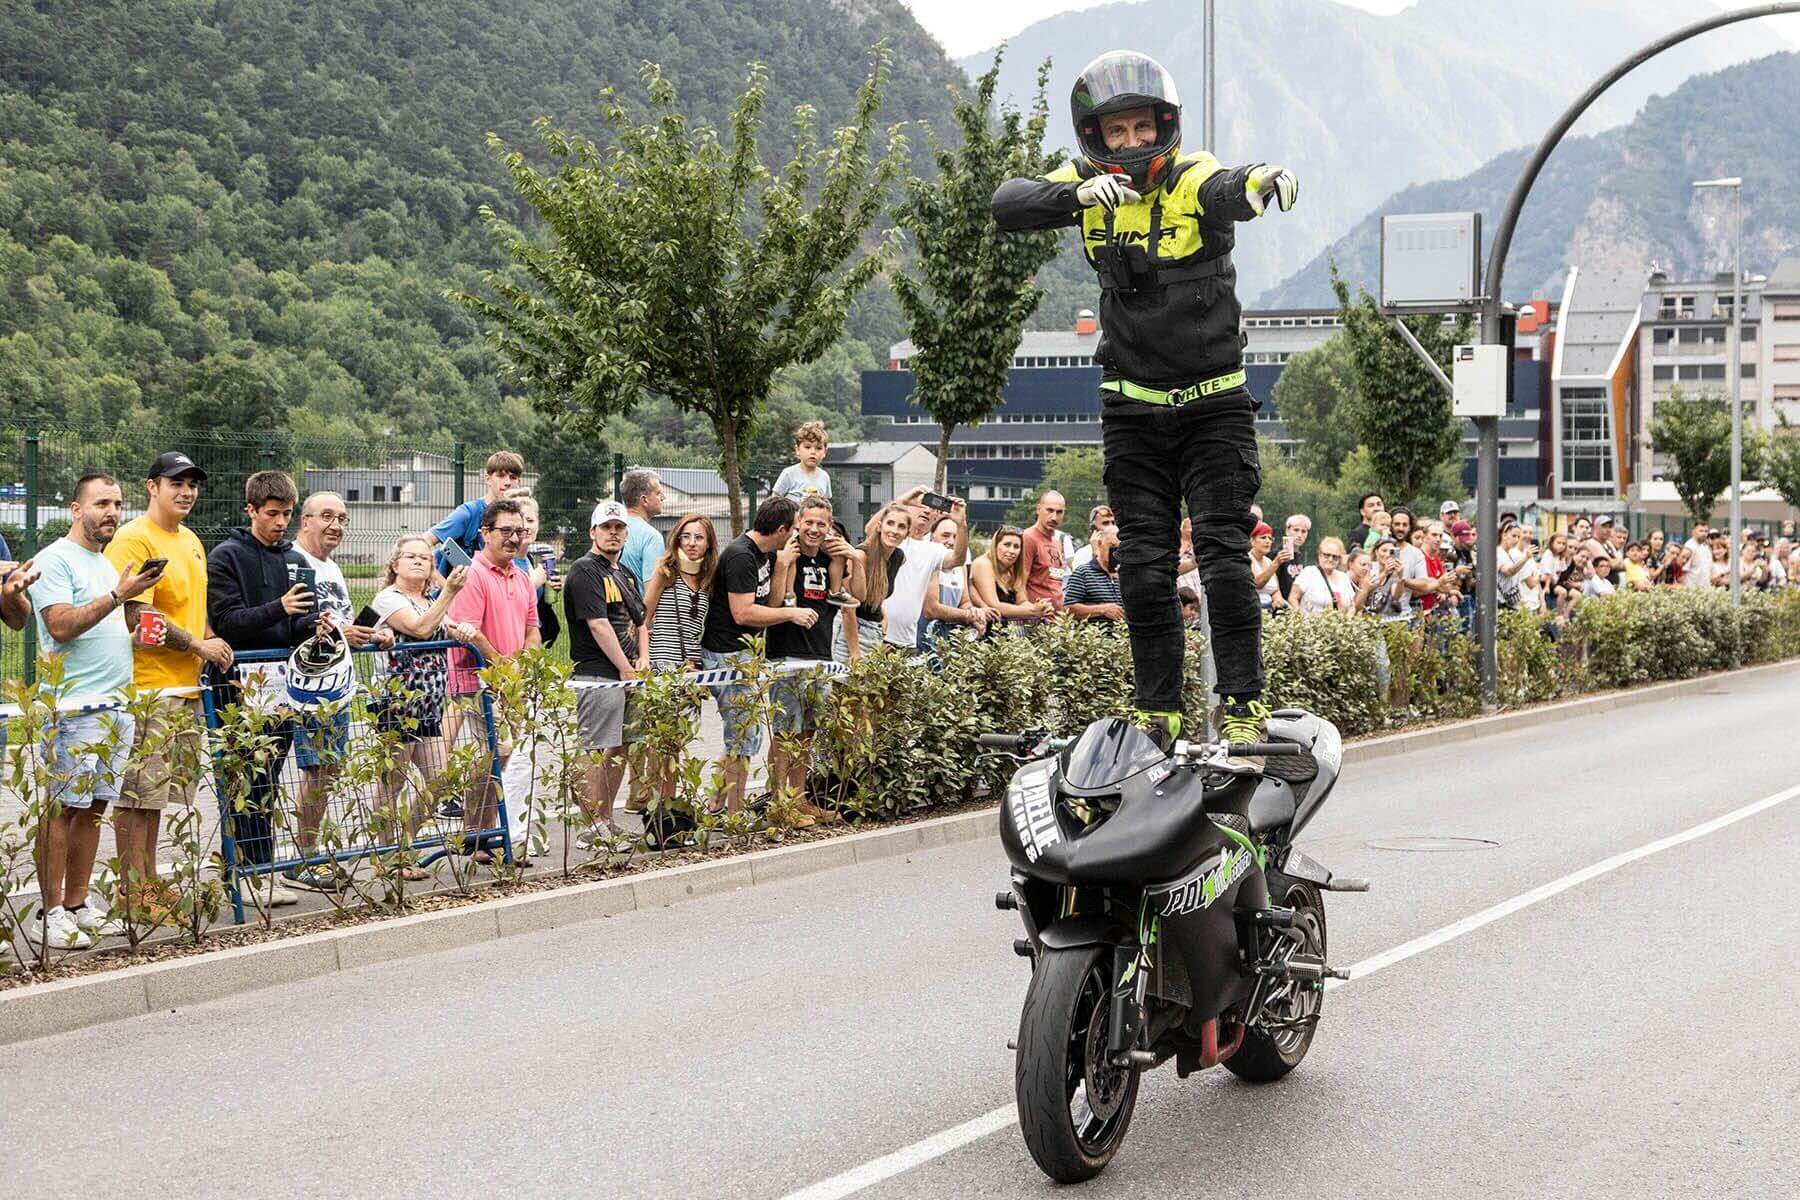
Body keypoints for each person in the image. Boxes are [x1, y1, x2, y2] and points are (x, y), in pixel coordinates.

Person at [994, 48, 1298, 745]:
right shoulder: (1085, 182)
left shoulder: (1192, 175)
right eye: (1115, 131)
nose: (1130, 143)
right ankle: (1157, 712)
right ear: (1095, 138)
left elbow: (1230, 187)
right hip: (1131, 408)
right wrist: (1074, 196)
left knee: (1223, 554)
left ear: (1166, 125)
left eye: (1142, 128)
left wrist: (1262, 182)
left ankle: (1245, 708)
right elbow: (1006, 204)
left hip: (1213, 404)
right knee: (1145, 566)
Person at [25, 474, 162, 948]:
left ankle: (79, 905)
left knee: (94, 809)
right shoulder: (54, 560)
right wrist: (119, 596)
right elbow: (60, 626)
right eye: (101, 503)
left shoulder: (105, 565)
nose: (112, 512)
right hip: (71, 710)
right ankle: (51, 910)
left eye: (118, 504)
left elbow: (117, 624)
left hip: (115, 709)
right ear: (75, 509)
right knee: (64, 809)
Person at [108, 451, 233, 919]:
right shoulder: (133, 540)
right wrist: (197, 647)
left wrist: (208, 637)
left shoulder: (192, 540)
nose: (186, 491)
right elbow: (135, 618)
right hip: (146, 690)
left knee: (156, 798)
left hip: (184, 690)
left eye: (192, 484)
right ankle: (129, 892)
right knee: (135, 795)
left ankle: (149, 883)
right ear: (151, 487)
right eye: (175, 483)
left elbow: (193, 611)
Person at [205, 469, 319, 906]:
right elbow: (228, 621)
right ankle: (241, 872)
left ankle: (261, 868)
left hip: (282, 685)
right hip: (237, 684)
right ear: (250, 509)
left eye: (287, 514)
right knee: (242, 781)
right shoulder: (226, 557)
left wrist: (317, 625)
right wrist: (279, 606)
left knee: (268, 780)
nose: (280, 523)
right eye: (272, 514)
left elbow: (300, 620)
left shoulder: (296, 560)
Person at [282, 492, 394, 889]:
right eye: (327, 516)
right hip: (306, 686)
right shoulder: (293, 561)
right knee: (315, 770)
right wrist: (336, 633)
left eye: (342, 518)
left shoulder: (331, 567)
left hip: (336, 685)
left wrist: (369, 635)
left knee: (328, 769)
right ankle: (304, 858)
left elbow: (341, 625)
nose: (336, 525)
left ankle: (307, 854)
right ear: (305, 519)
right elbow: (296, 625)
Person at [700, 496, 815, 814]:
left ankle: (715, 802)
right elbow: (744, 613)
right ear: (780, 529)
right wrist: (792, 616)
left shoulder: (767, 554)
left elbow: (772, 603)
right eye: (793, 529)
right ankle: (735, 816)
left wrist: (782, 566)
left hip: (746, 656)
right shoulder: (740, 556)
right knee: (744, 737)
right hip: (727, 656)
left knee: (742, 735)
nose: (796, 535)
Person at [367, 534, 472, 876]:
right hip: (397, 703)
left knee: (439, 777)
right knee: (392, 781)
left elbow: (443, 625)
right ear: (394, 564)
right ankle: (385, 855)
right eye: (410, 556)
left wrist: (462, 630)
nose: (418, 561)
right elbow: (421, 629)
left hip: (430, 703)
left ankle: (404, 842)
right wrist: (450, 593)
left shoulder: (429, 599)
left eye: (425, 558)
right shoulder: (388, 599)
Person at [446, 498, 541, 863]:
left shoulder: (521, 575)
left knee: (502, 760)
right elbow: (470, 634)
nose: (514, 538)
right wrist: (504, 667)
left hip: (511, 683)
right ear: (485, 533)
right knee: (486, 762)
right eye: (505, 530)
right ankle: (476, 837)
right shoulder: (473, 575)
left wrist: (523, 663)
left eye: (520, 531)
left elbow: (532, 629)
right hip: (478, 685)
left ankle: (487, 835)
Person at [767, 496, 858, 825]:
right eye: (810, 523)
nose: (815, 529)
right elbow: (776, 603)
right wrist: (781, 566)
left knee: (806, 732)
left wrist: (854, 558)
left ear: (829, 526)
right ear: (798, 523)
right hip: (787, 653)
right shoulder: (786, 556)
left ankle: (799, 798)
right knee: (784, 733)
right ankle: (780, 803)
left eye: (822, 524)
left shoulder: (832, 557)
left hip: (819, 654)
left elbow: (855, 600)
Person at [564, 501, 645, 842]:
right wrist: (625, 668)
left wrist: (643, 659)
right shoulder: (586, 570)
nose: (614, 533)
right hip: (597, 673)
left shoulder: (624, 572)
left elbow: (641, 620)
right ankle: (589, 827)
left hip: (627, 674)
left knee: (620, 747)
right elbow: (598, 624)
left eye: (619, 527)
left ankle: (604, 819)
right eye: (607, 527)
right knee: (593, 748)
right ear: (593, 532)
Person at [875, 488, 970, 650]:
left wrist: (961, 524)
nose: (926, 511)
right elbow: (871, 529)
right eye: (920, 504)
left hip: (908, 640)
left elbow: (957, 559)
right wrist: (903, 499)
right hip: (878, 634)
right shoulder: (892, 538)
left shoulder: (933, 550)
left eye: (931, 508)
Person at [430, 451, 523, 576]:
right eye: (501, 476)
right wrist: (445, 587)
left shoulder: (519, 517)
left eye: (513, 477)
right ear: (488, 479)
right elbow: (425, 541)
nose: (507, 482)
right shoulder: (468, 513)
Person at [920, 512, 996, 646]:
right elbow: (931, 609)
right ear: (932, 536)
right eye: (945, 535)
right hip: (924, 639)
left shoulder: (960, 567)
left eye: (955, 537)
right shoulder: (927, 561)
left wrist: (975, 612)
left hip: (950, 640)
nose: (950, 541)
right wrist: (967, 616)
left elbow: (965, 602)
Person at [970, 526, 1054, 625]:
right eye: (1007, 545)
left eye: (1016, 547)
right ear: (995, 545)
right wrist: (1032, 611)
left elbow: (1021, 601)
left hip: (1009, 628)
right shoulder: (983, 564)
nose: (1012, 551)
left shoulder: (1015, 569)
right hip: (986, 627)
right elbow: (993, 605)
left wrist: (1040, 607)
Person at [1018, 490, 1069, 614]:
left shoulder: (1057, 542)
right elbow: (1019, 584)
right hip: (1037, 620)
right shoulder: (1028, 537)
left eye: (1059, 512)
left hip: (1058, 620)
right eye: (1049, 510)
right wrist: (1029, 611)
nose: (1054, 517)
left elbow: (1055, 583)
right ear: (1038, 509)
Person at [618, 468, 667, 596]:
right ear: (644, 500)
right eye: (658, 493)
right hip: (637, 613)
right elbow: (651, 591)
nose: (663, 497)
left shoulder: (608, 531)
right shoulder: (652, 537)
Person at [1062, 525, 1125, 622]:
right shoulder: (1083, 573)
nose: (1115, 552)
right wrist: (1102, 609)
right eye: (1112, 547)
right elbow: (1068, 608)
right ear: (1100, 544)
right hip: (1095, 635)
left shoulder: (1125, 573)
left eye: (1119, 548)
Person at [772, 420, 833, 506]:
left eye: (818, 448)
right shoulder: (789, 474)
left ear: (825, 452)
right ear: (797, 450)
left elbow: (826, 505)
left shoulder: (825, 477)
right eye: (807, 447)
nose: (813, 452)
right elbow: (774, 502)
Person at [1288, 536, 1354, 614]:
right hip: (1311, 623)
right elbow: (1293, 598)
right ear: (1320, 555)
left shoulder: (1344, 577)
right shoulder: (1309, 573)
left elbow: (1352, 606)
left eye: (1335, 557)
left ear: (1339, 559)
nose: (1330, 559)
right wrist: (1300, 619)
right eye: (1326, 555)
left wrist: (1347, 621)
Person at [1272, 514, 1313, 611]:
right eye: (1296, 530)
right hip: (1280, 607)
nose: (1300, 535)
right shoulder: (1278, 554)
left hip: (1296, 607)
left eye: (1304, 531)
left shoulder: (1300, 556)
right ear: (1287, 531)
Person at [1248, 522, 1286, 613]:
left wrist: (1277, 599)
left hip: (1271, 609)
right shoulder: (1248, 559)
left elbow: (1276, 589)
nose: (1268, 541)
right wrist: (1276, 563)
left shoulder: (1269, 561)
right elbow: (1257, 584)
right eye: (1263, 537)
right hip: (1254, 609)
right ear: (1252, 541)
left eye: (1270, 538)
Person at [1069, 505, 1115, 571]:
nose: (1111, 527)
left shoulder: (1123, 552)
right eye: (1105, 523)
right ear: (1094, 529)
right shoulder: (1082, 554)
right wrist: (1095, 553)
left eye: (1113, 523)